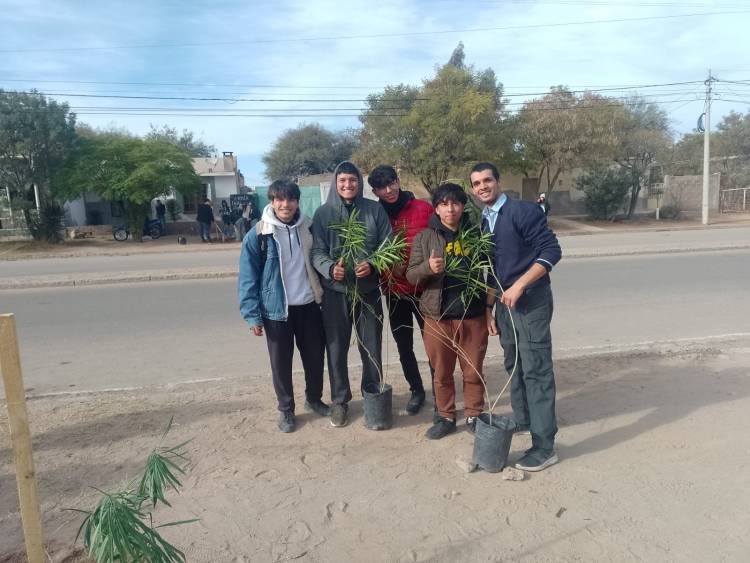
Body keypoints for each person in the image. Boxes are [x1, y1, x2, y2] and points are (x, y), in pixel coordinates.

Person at [470, 162, 562, 472]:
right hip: (504, 305)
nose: (483, 186)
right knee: (515, 364)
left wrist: (520, 285)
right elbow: (492, 271)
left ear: (497, 182)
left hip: (531, 301)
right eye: (477, 183)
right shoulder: (484, 221)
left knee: (536, 370)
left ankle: (545, 446)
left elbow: (551, 252)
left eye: (487, 180)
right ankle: (523, 419)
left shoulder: (522, 212)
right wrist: (488, 309)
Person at [238, 180, 330, 433]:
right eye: (279, 199)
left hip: (309, 305)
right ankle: (286, 410)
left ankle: (314, 399)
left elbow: (320, 263)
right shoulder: (258, 234)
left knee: (314, 357)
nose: (285, 205)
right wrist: (252, 316)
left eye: (290, 199)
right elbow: (248, 278)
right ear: (272, 201)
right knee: (280, 363)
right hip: (276, 310)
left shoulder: (309, 228)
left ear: (297, 201)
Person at [311, 161, 392, 428]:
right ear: (336, 183)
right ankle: (339, 401)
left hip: (368, 291)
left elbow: (387, 246)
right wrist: (330, 268)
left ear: (359, 182)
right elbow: (317, 252)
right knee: (336, 349)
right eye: (343, 180)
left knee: (371, 346)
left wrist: (372, 264)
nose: (348, 185)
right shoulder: (323, 214)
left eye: (353, 180)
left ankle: (372, 394)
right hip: (336, 294)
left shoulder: (374, 210)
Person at [406, 183, 489, 440]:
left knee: (473, 370)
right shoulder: (424, 237)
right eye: (444, 204)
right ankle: (446, 417)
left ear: (463, 206)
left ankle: (474, 414)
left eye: (455, 203)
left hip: (472, 315)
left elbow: (492, 273)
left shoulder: (476, 234)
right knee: (441, 373)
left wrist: (488, 310)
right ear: (437, 208)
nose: (450, 209)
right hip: (437, 317)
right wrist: (428, 268)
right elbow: (411, 276)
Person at [367, 165, 433, 415]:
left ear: (398, 181)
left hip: (425, 290)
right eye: (382, 188)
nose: (389, 190)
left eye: (392, 183)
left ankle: (440, 388)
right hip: (394, 292)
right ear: (375, 191)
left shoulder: (423, 209)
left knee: (434, 344)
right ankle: (416, 390)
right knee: (404, 345)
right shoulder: (374, 214)